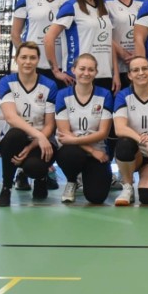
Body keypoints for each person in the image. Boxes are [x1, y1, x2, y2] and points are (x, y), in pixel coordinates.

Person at [0, 41, 58, 206]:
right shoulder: (6, 82)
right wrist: (38, 135)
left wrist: (34, 143)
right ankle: (6, 188)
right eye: (23, 57)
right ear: (16, 59)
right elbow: (11, 117)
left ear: (38, 60)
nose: (27, 62)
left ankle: (41, 178)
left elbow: (49, 125)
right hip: (15, 139)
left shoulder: (49, 85)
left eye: (32, 58)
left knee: (35, 167)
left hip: (40, 141)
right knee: (15, 134)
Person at [46, 0, 117, 92]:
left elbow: (109, 41)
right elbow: (49, 38)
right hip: (79, 76)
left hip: (105, 75)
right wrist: (56, 71)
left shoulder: (104, 7)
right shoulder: (71, 6)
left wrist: (116, 74)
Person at [53, 54, 115, 206]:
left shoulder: (105, 94)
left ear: (96, 72)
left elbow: (103, 133)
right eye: (82, 69)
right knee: (70, 154)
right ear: (73, 70)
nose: (86, 73)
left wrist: (93, 150)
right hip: (74, 150)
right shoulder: (62, 95)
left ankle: (88, 175)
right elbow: (64, 133)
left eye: (91, 70)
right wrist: (91, 150)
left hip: (98, 150)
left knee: (96, 197)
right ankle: (72, 180)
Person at [111, 56, 148, 207]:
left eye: (144, 68)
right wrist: (145, 142)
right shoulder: (123, 96)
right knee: (124, 144)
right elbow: (120, 128)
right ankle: (127, 185)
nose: (141, 73)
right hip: (135, 151)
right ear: (130, 75)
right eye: (135, 70)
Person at [106, 0, 144, 89]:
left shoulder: (142, 3)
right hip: (115, 63)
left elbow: (147, 32)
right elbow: (103, 33)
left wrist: (138, 53)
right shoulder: (105, 2)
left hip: (137, 62)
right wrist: (121, 52)